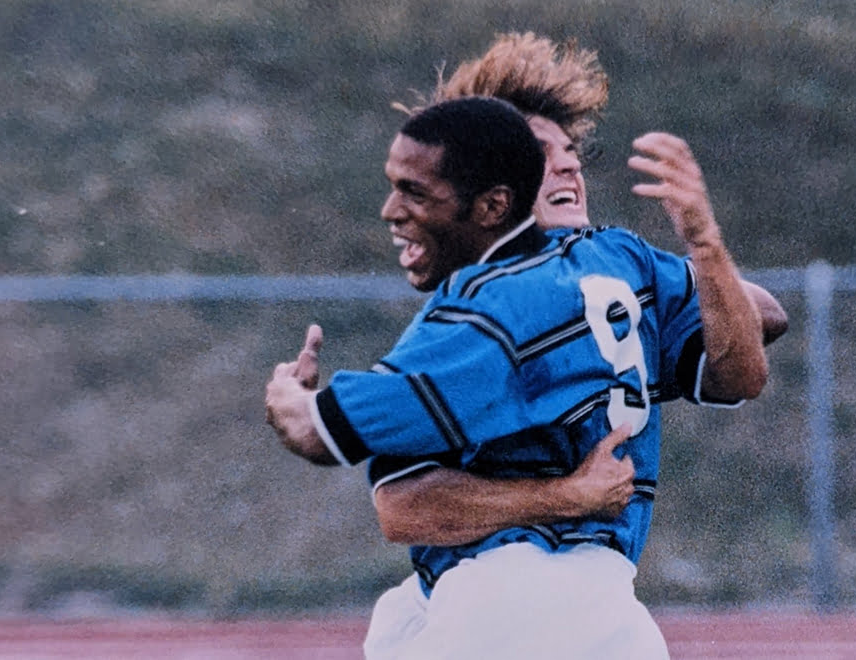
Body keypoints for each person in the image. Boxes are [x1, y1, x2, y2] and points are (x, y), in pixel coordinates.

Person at [265, 96, 768, 658]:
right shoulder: (621, 261)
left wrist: (290, 395)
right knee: (403, 618)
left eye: (570, 153)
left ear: (494, 201)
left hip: (508, 606)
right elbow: (757, 332)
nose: (569, 167)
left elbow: (321, 437)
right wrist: (701, 243)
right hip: (600, 610)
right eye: (543, 154)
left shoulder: (481, 311)